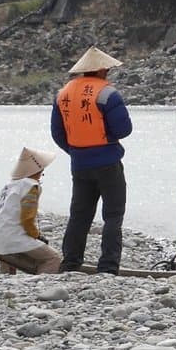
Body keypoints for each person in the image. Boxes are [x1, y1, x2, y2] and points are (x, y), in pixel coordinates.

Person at [51, 45, 133, 275]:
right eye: (106, 69)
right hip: (108, 163)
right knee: (113, 216)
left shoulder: (63, 93)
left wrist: (77, 150)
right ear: (101, 70)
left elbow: (57, 133)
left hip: (79, 164)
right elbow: (124, 129)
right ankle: (107, 267)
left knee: (79, 215)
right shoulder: (108, 94)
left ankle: (70, 264)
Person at [0, 146, 62, 275]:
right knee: (52, 258)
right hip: (12, 238)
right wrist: (37, 236)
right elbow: (27, 218)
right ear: (38, 170)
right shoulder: (30, 186)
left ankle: (6, 282)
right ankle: (43, 284)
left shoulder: (9, 186)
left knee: (8, 260)